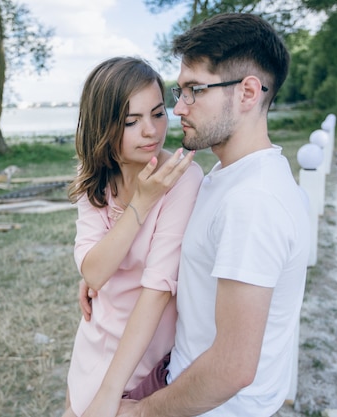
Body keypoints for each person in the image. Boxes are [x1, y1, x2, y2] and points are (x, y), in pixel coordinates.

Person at [115, 13, 311, 416]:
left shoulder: (254, 203)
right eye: (179, 90)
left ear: (247, 93)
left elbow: (233, 367)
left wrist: (141, 413)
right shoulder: (229, 176)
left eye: (194, 90)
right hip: (182, 376)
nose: (178, 107)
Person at [62, 56, 203, 417]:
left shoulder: (182, 178)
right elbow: (93, 272)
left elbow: (157, 292)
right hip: (94, 339)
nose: (152, 131)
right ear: (104, 126)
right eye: (131, 121)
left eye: (158, 113)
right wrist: (141, 202)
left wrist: (110, 394)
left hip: (141, 359)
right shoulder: (95, 178)